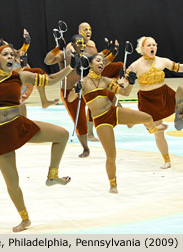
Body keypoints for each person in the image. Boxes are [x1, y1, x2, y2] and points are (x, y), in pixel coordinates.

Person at [0, 41, 74, 232]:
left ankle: (52, 175)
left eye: (12, 54)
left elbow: (52, 79)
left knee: (62, 135)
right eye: (5, 55)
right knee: (13, 182)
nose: (10, 57)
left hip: (18, 125)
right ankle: (25, 218)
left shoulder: (22, 76)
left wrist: (72, 67)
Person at [68, 54, 167, 193]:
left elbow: (125, 92)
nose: (101, 62)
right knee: (111, 155)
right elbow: (71, 98)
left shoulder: (106, 81)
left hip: (113, 112)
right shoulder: (83, 83)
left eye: (103, 61)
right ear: (90, 64)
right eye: (98, 60)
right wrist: (76, 90)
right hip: (101, 120)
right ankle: (113, 184)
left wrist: (131, 82)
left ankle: (153, 130)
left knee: (148, 118)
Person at [128, 36, 183, 169]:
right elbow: (123, 84)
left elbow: (179, 68)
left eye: (154, 45)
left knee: (182, 88)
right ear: (142, 48)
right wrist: (126, 78)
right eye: (149, 45)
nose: (152, 47)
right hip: (148, 100)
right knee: (158, 133)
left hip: (164, 95)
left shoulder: (162, 61)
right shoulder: (135, 65)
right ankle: (167, 160)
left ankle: (179, 113)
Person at [45, 34, 99, 158]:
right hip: (69, 92)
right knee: (79, 121)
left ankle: (93, 133)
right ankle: (86, 148)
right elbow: (47, 61)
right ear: (73, 44)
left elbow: (102, 62)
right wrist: (57, 48)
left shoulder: (88, 55)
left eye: (83, 43)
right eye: (79, 43)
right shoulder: (65, 55)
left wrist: (111, 52)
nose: (82, 45)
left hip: (86, 89)